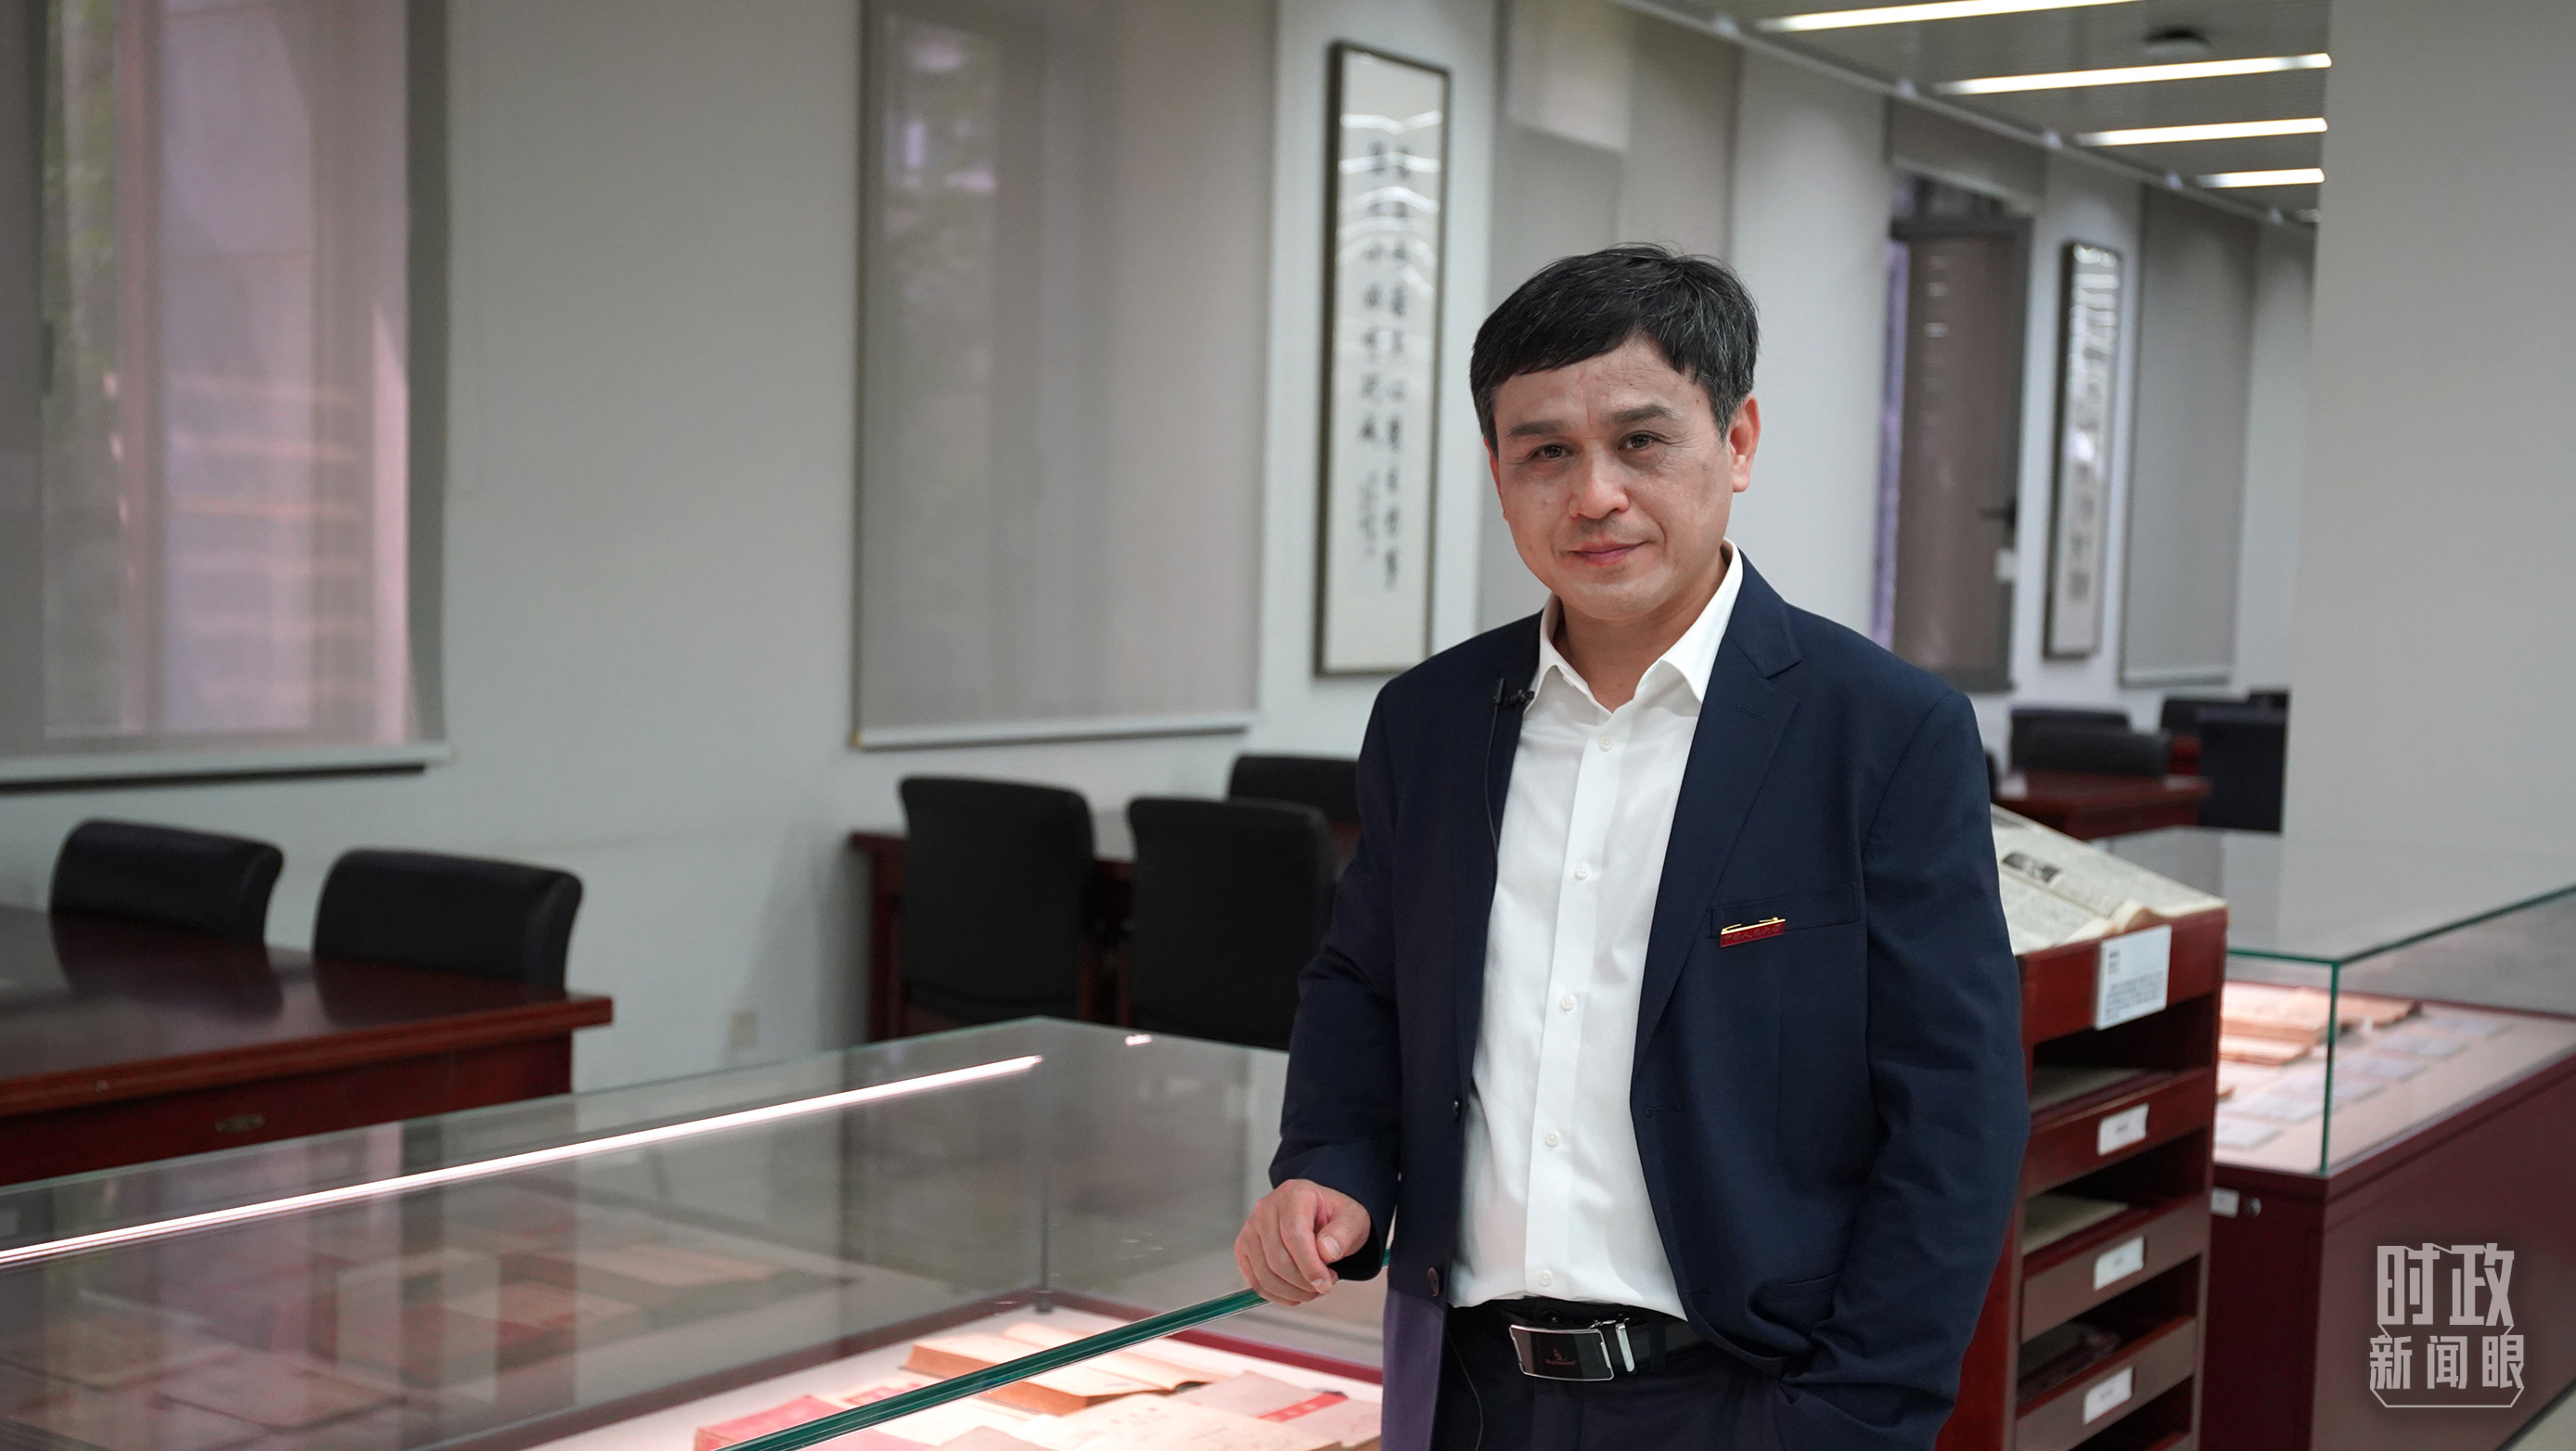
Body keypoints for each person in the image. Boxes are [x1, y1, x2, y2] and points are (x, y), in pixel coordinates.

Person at [1236, 246, 2026, 1451]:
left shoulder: (1880, 730)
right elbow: (1364, 982)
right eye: (1545, 452)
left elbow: (1953, 1108)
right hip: (1469, 1393)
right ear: (1499, 475)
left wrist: (1858, 1414)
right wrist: (1330, 1164)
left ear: (1738, 441)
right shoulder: (1430, 721)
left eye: (1641, 441)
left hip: (1749, 1397)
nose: (1593, 494)